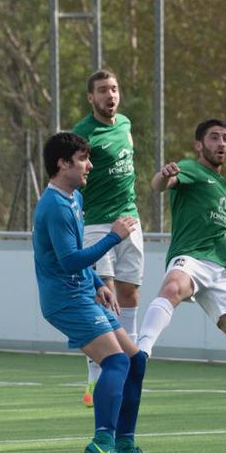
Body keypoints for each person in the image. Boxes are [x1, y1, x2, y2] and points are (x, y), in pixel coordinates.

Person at [136, 119, 226, 452]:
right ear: (199, 145)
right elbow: (160, 184)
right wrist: (164, 175)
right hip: (191, 259)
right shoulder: (188, 168)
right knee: (172, 288)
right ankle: (140, 353)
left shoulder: (220, 183)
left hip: (218, 268)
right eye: (214, 138)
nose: (222, 143)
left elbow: (211, 232)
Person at [32, 132, 161, 453]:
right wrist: (112, 237)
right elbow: (69, 260)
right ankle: (103, 440)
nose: (89, 165)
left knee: (135, 362)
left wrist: (96, 283)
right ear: (63, 163)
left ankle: (126, 445)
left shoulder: (73, 198)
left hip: (81, 293)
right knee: (116, 362)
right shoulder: (55, 205)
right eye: (83, 159)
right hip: (64, 300)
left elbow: (77, 262)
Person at [72, 69, 144, 408]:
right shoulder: (83, 134)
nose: (109, 96)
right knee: (105, 295)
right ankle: (97, 371)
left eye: (114, 89)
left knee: (130, 294)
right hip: (98, 225)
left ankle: (126, 361)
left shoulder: (126, 125)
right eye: (102, 91)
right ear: (91, 98)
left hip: (130, 220)